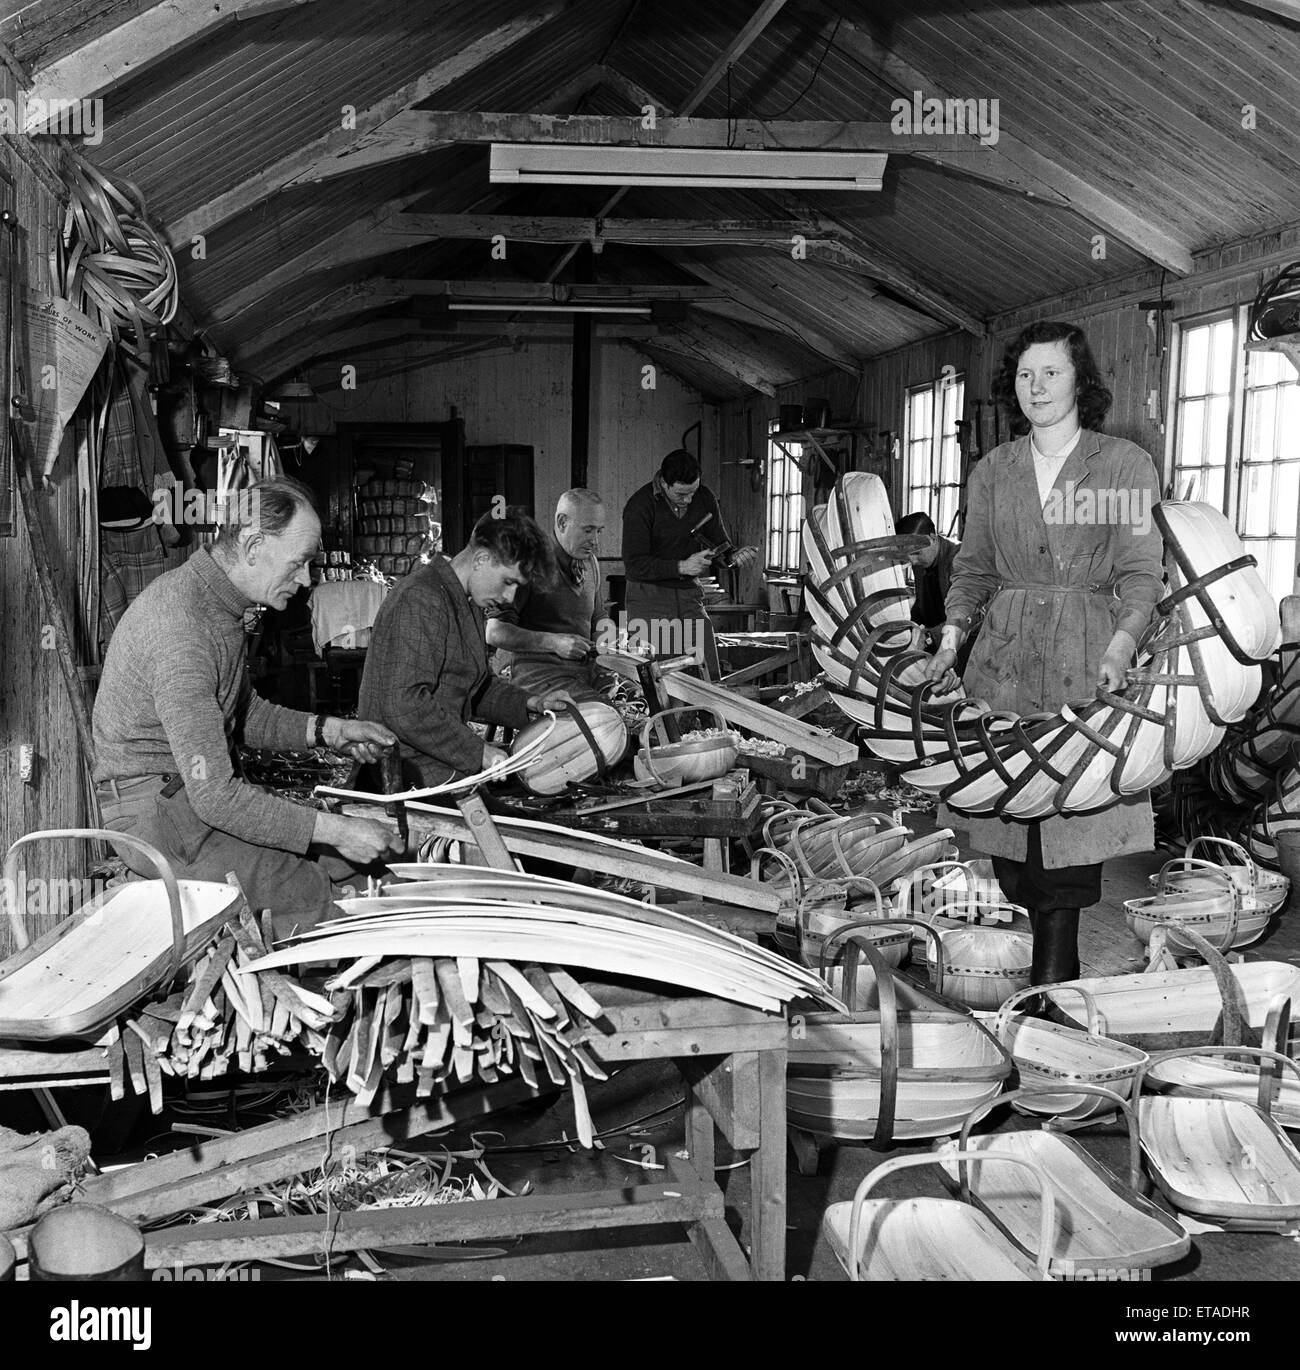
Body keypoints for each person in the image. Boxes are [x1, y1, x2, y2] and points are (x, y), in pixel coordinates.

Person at [922, 321, 1165, 987]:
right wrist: (951, 636)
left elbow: (1142, 574)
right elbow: (971, 572)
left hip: (1087, 658)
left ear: (1079, 382)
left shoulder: (1122, 466)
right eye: (1026, 375)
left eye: (1051, 373)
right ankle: (1044, 971)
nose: (1037, 387)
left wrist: (1121, 644)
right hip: (1002, 664)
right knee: (1010, 847)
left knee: (1067, 848)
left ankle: (1051, 993)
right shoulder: (993, 471)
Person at [93, 475, 403, 936]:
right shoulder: (183, 629)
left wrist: (333, 731)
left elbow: (242, 712)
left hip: (185, 795)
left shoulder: (218, 605)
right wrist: (336, 830)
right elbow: (216, 797)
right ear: (254, 546)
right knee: (311, 897)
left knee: (352, 868)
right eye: (298, 563)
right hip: (156, 815)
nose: (304, 581)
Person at [359, 509, 573, 787]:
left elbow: (476, 687)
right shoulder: (422, 597)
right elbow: (404, 705)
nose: (510, 597)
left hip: (437, 761)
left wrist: (532, 703)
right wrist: (481, 752)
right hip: (404, 773)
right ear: (481, 559)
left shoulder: (466, 600)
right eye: (508, 582)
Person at [621, 449, 757, 670]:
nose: (689, 500)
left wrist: (733, 557)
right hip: (649, 597)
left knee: (707, 667)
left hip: (688, 595)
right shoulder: (640, 506)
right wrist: (682, 566)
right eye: (681, 494)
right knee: (660, 674)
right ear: (664, 483)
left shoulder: (704, 497)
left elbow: (719, 544)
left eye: (692, 492)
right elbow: (634, 564)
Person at [485, 489, 618, 703]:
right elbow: (494, 633)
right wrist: (555, 643)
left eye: (599, 531)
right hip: (536, 676)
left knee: (639, 697)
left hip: (583, 671)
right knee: (602, 713)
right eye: (588, 530)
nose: (595, 540)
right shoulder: (526, 561)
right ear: (562, 522)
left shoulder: (590, 562)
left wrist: (610, 636)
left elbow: (597, 615)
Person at [896, 511, 960, 650]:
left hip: (963, 642)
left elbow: (969, 616)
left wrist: (930, 637)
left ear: (933, 538)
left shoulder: (960, 559)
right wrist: (905, 627)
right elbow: (923, 602)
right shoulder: (923, 561)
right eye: (907, 555)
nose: (912, 561)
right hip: (936, 636)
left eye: (916, 553)